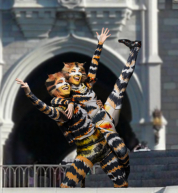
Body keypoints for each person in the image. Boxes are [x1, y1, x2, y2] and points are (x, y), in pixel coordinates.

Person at [15, 74, 128, 188]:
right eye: (59, 82)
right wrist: (29, 93)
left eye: (64, 81)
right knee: (66, 186)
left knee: (121, 183)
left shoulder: (77, 101)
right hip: (87, 151)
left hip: (103, 146)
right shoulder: (61, 109)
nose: (64, 83)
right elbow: (46, 108)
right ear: (54, 91)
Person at [61, 28, 142, 181]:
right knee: (120, 150)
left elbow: (94, 65)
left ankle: (134, 49)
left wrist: (100, 44)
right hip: (98, 128)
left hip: (104, 115)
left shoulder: (86, 86)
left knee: (121, 83)